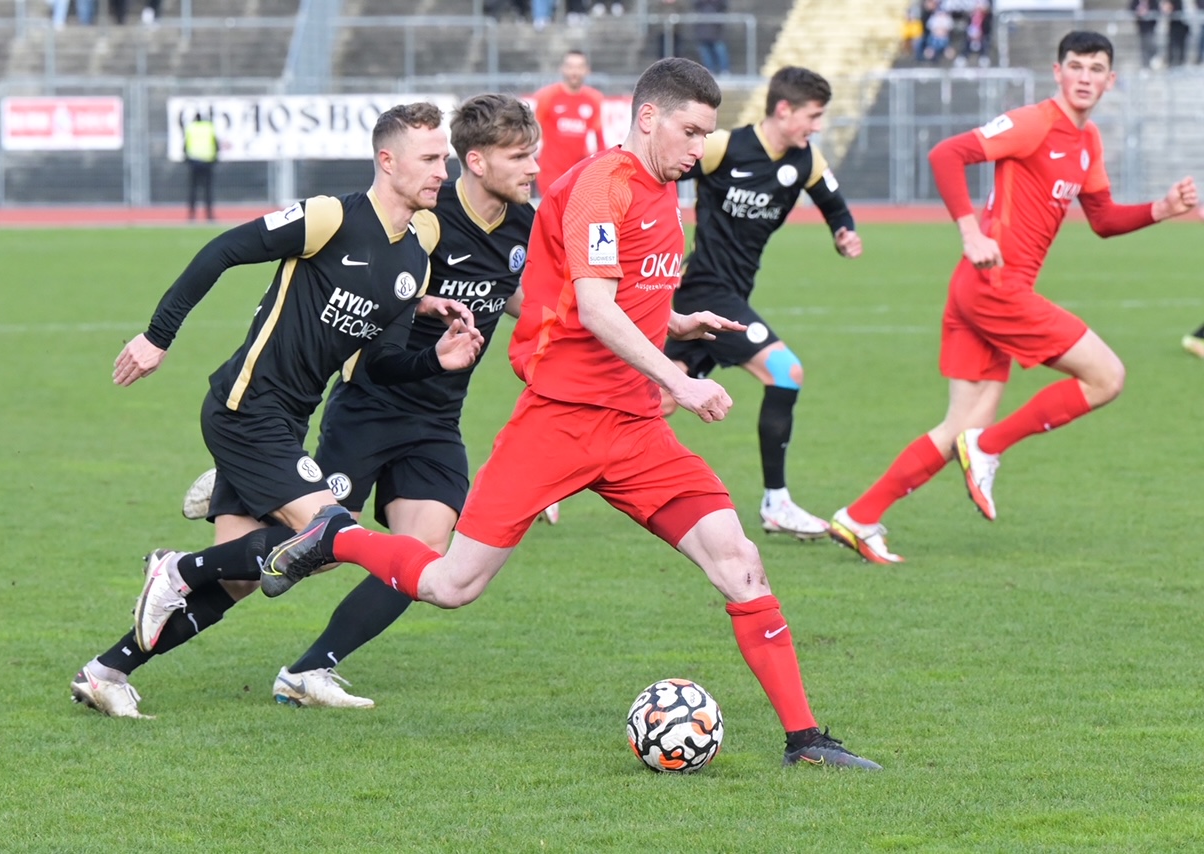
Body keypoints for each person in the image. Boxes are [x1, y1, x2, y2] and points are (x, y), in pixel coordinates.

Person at [259, 58, 881, 769]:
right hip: (559, 421)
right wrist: (681, 382)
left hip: (636, 430)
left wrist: (674, 322)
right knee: (452, 584)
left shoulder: (661, 189)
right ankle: (335, 537)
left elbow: (621, 297)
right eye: (689, 131)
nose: (697, 148)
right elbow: (591, 307)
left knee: (741, 564)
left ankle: (804, 741)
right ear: (648, 118)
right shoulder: (599, 186)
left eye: (706, 134)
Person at [69, 102, 485, 718]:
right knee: (326, 532)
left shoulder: (419, 245)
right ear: (386, 160)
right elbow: (223, 250)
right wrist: (158, 336)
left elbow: (383, 360)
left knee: (238, 578)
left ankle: (107, 671)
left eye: (444, 158)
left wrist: (437, 360)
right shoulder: (329, 217)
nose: (442, 172)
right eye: (429, 159)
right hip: (244, 408)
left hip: (289, 421)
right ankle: (178, 567)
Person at [180, 94, 542, 709]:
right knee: (311, 555)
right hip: (370, 406)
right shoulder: (428, 210)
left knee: (422, 555)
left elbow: (511, 295)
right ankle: (214, 520)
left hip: (437, 419)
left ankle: (309, 670)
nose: (534, 166)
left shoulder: (521, 224)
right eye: (521, 155)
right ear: (475, 161)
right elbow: (370, 279)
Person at [829, 31, 1199, 564]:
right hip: (993, 287)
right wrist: (970, 232)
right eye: (1076, 66)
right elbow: (946, 154)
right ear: (1058, 71)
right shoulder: (1034, 122)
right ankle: (989, 448)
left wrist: (1159, 209)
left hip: (984, 291)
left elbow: (1102, 219)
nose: (1086, 77)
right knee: (1106, 377)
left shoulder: (1088, 140)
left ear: (1110, 80)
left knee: (959, 425)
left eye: (1097, 69)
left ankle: (860, 516)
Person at [663, 66, 861, 541]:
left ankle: (548, 475)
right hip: (706, 290)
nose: (817, 126)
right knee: (786, 371)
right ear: (784, 109)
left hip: (729, 293)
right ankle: (777, 502)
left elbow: (834, 204)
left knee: (661, 398)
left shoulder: (806, 160)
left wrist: (843, 231)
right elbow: (659, 170)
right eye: (813, 116)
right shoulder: (724, 147)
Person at [533, 50, 606, 196]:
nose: (574, 71)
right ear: (562, 68)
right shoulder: (547, 96)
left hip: (579, 176)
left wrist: (602, 170)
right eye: (570, 66)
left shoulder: (594, 99)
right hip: (550, 175)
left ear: (587, 70)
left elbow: (599, 138)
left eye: (579, 67)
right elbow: (532, 132)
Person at [184, 112, 218, 221]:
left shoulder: (191, 128)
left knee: (193, 190)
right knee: (208, 190)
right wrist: (215, 158)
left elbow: (185, 146)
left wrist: (187, 159)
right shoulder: (209, 127)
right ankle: (209, 215)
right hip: (207, 161)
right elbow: (216, 145)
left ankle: (191, 215)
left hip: (194, 162)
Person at [692, 0, 730, 76]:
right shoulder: (701, 4)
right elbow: (695, 4)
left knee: (720, 50)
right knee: (706, 53)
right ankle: (710, 71)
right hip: (703, 31)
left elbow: (724, 5)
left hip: (716, 31)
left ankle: (724, 70)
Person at [1131, 0, 1158, 69]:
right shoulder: (1135, 1)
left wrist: (1148, 13)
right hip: (1141, 26)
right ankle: (1145, 65)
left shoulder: (1153, 1)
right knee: (1144, 45)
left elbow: (1156, 10)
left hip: (1151, 26)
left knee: (1150, 42)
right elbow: (1131, 8)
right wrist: (1138, 12)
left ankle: (1153, 58)